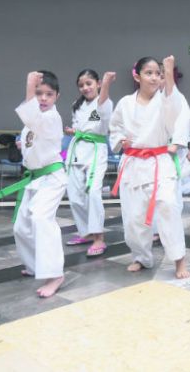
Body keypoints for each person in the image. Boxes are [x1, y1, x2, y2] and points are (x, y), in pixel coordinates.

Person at [0, 71, 67, 298]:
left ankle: (55, 274)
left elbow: (33, 119)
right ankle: (35, 265)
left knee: (41, 219)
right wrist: (24, 147)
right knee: (21, 226)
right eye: (38, 93)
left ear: (57, 96)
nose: (43, 98)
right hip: (35, 178)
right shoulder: (35, 119)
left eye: (48, 94)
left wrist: (29, 87)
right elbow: (32, 136)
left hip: (52, 178)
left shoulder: (52, 117)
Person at [109, 55, 190, 279]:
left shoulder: (166, 99)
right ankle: (141, 257)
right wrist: (120, 140)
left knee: (168, 205)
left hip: (159, 161)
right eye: (149, 73)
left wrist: (169, 73)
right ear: (137, 76)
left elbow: (178, 112)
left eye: (158, 73)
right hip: (133, 163)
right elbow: (114, 127)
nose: (154, 77)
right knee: (134, 216)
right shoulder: (124, 103)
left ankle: (179, 259)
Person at [63, 69, 116, 257]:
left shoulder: (104, 103)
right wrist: (73, 131)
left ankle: (99, 237)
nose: (85, 88)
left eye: (89, 83)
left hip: (95, 151)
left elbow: (101, 113)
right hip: (77, 150)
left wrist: (107, 83)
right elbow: (79, 126)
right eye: (81, 85)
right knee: (75, 195)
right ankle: (86, 232)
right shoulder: (76, 105)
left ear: (98, 83)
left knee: (93, 193)